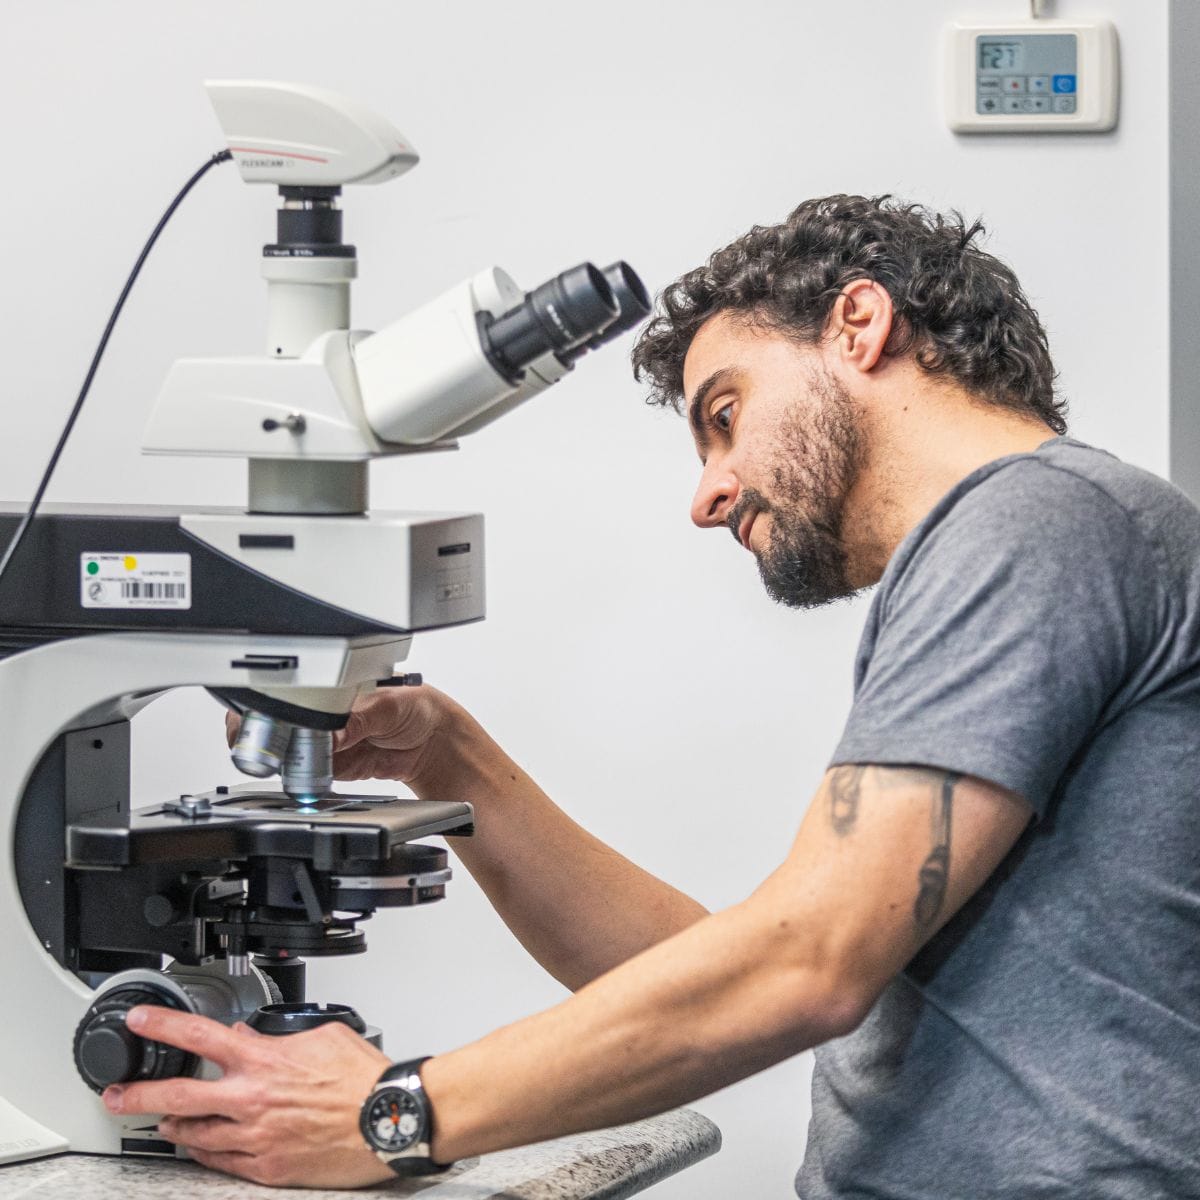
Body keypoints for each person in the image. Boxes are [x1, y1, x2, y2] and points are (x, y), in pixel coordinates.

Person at [100, 196, 1200, 1197]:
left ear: (858, 325)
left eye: (725, 413)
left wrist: (394, 1113)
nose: (708, 494)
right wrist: (451, 760)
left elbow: (803, 966)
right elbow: (735, 966)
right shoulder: (1035, 544)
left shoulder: (1037, 523)